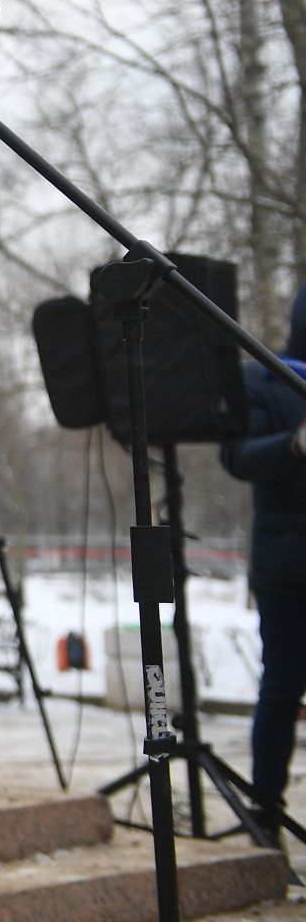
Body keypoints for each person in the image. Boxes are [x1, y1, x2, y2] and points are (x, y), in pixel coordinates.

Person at [221, 280, 306, 830]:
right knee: (282, 687)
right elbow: (238, 455)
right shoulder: (266, 376)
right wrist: (296, 445)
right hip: (289, 565)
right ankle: (266, 807)